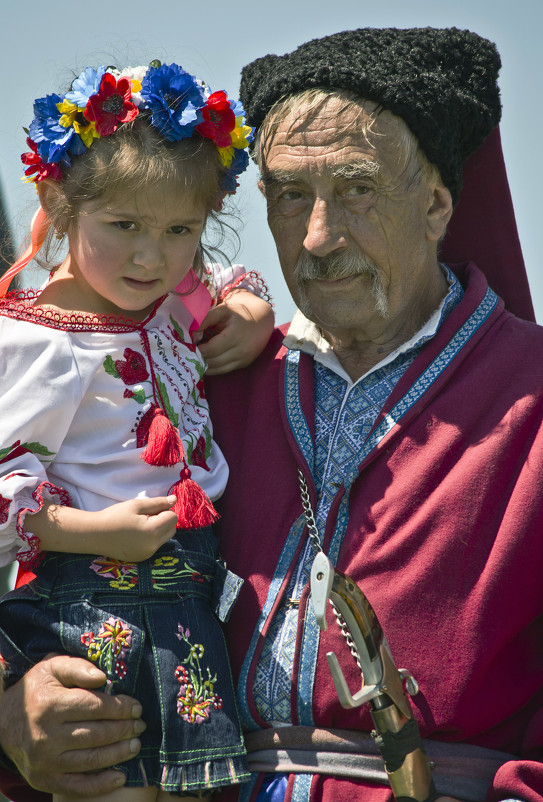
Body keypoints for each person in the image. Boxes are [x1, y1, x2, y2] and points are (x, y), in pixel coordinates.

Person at [0, 25, 542, 802]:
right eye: (289, 196)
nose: (317, 239)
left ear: (434, 204)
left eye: (356, 188)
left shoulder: (531, 400)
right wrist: (12, 712)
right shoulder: (195, 374)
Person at [0, 60, 275, 801]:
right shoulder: (39, 342)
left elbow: (227, 278)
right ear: (56, 201)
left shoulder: (161, 300)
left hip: (183, 593)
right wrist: (93, 534)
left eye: (180, 229)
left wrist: (250, 309)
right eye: (122, 226)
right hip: (93, 603)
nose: (151, 255)